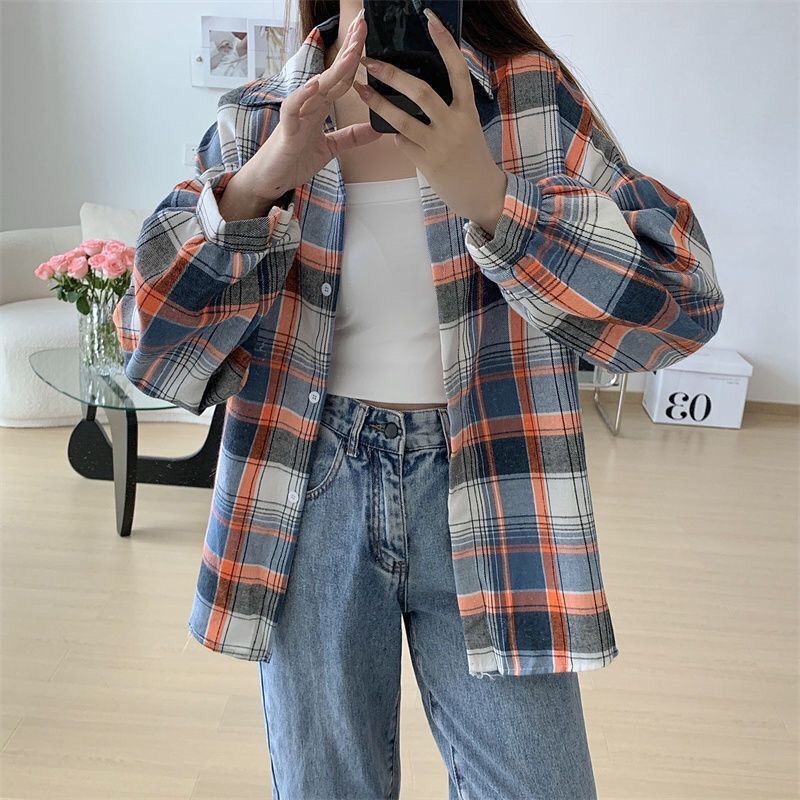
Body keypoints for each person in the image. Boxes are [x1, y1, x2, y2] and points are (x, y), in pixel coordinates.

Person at [113, 1, 725, 797]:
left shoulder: (529, 98)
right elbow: (147, 341)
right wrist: (259, 183)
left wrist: (493, 196)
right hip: (308, 489)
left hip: (494, 484)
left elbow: (686, 300)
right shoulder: (263, 117)